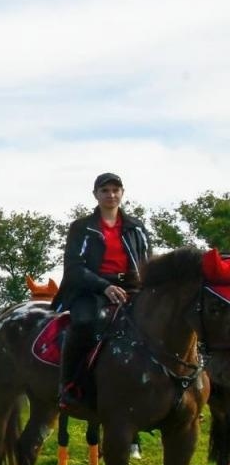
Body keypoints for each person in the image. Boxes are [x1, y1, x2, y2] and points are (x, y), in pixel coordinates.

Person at [52, 172, 149, 407]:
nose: (111, 195)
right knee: (84, 323)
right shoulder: (82, 228)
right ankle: (69, 386)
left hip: (131, 287)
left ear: (122, 193)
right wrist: (104, 286)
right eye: (105, 190)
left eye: (116, 190)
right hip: (90, 289)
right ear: (95, 195)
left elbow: (147, 261)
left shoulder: (136, 228)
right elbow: (74, 268)